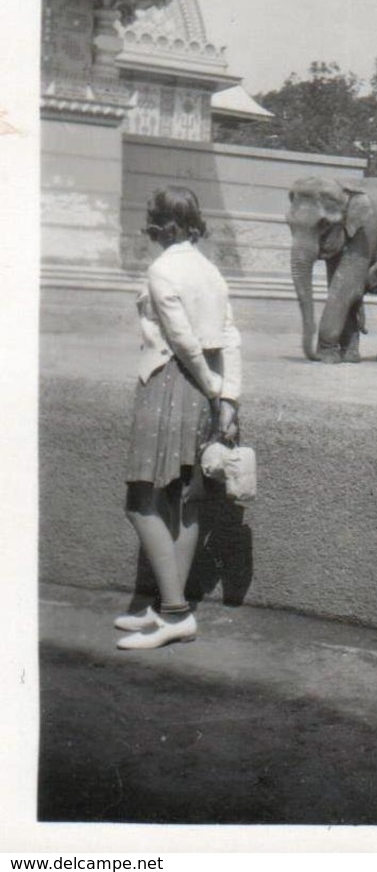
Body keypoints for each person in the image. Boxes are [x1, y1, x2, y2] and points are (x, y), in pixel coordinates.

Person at [116, 186, 242, 649]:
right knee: (186, 500)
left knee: (142, 500)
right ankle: (169, 604)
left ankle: (173, 613)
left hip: (169, 383)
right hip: (201, 389)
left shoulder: (163, 268)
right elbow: (229, 336)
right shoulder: (211, 271)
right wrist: (225, 396)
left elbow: (181, 340)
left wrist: (211, 387)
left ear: (160, 224)